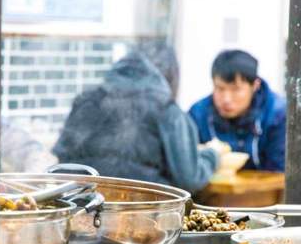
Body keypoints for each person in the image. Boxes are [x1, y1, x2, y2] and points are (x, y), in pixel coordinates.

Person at [52, 49, 222, 192]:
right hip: (142, 211)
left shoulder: (87, 100)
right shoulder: (166, 109)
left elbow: (60, 157)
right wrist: (212, 155)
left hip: (82, 204)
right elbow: (189, 177)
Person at [189, 50, 286, 172]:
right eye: (220, 88)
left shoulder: (278, 115)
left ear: (255, 85)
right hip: (210, 190)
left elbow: (279, 172)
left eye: (236, 90)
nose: (226, 99)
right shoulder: (198, 114)